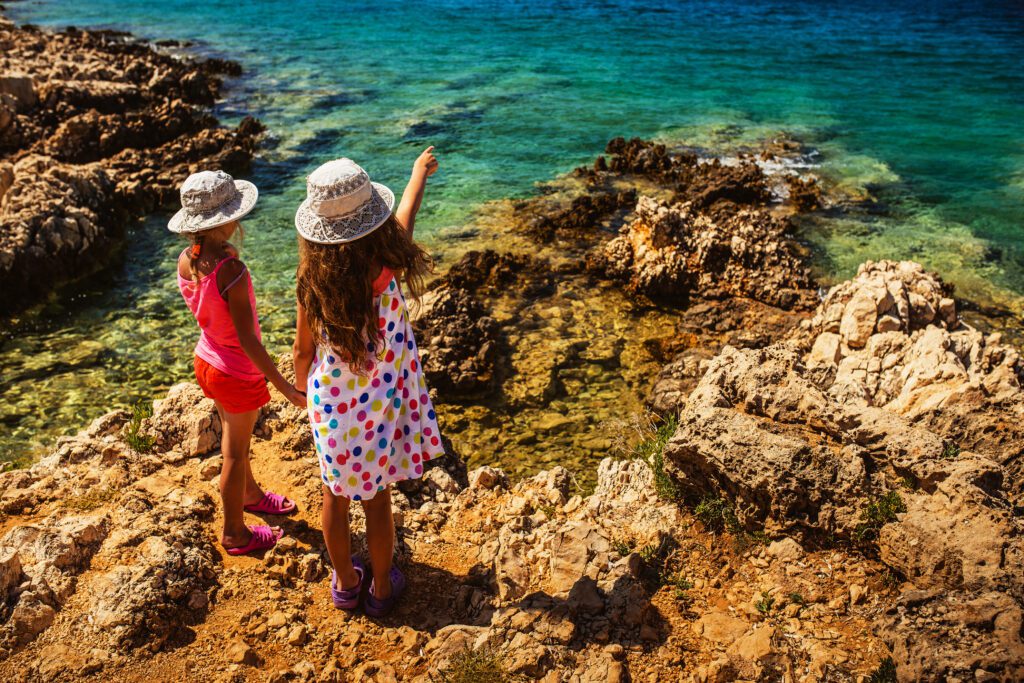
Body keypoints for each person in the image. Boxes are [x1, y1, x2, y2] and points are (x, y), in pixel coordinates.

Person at [292, 147, 442, 616]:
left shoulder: (311, 281)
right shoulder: (385, 264)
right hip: (378, 407)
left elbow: (301, 351)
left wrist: (301, 390)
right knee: (378, 502)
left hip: (332, 409)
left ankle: (344, 582)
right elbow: (408, 211)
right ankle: (380, 589)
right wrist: (418, 172)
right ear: (370, 219)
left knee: (334, 497)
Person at [169, 170, 305, 556]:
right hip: (235, 371)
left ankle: (250, 494)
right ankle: (234, 533)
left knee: (235, 442)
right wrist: (285, 387)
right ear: (225, 221)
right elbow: (247, 340)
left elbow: (212, 312)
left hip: (206, 360)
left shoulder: (186, 260)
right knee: (233, 452)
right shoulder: (233, 271)